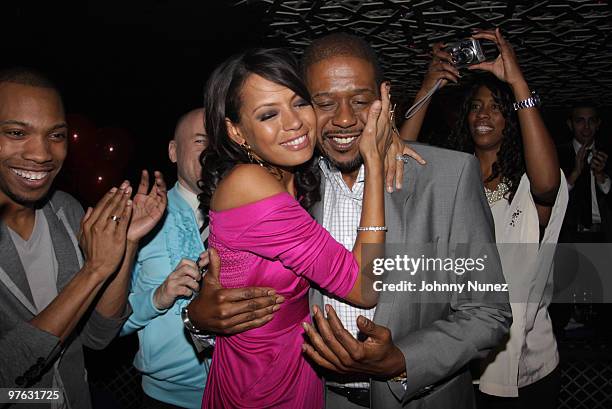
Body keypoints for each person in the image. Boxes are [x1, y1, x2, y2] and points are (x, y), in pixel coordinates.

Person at [189, 33, 511, 409]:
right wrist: (198, 319)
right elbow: (231, 290)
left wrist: (403, 361)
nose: (344, 118)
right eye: (324, 103)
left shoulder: (448, 177)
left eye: (360, 101)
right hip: (316, 395)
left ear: (384, 99)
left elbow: (489, 311)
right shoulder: (289, 185)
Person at [192, 46, 400, 409]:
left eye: (300, 103)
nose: (294, 123)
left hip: (297, 368)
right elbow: (364, 286)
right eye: (269, 114)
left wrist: (393, 136)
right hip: (259, 384)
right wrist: (376, 163)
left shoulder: (296, 173)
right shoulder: (249, 185)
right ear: (237, 131)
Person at [402, 29, 568, 409]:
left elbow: (548, 185)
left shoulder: (525, 187)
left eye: (496, 106)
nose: (484, 115)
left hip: (524, 366)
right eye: (476, 106)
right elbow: (399, 162)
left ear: (511, 119)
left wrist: (517, 82)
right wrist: (428, 87)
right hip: (456, 359)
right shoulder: (451, 179)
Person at [0, 68, 167, 408]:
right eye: (17, 132)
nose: (41, 154)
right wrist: (94, 270)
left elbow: (98, 337)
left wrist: (127, 243)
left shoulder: (66, 211)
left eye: (56, 135)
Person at [120, 108, 211, 409]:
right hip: (167, 399)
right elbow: (110, 323)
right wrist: (158, 297)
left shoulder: (245, 214)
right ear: (173, 151)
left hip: (242, 392)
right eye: (200, 141)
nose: (211, 151)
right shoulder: (141, 220)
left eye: (219, 142)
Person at [557, 101, 610, 243]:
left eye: (591, 121)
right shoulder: (556, 154)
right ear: (570, 124)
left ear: (598, 124)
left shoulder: (607, 154)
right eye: (580, 121)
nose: (586, 127)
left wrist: (601, 177)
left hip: (605, 235)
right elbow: (550, 199)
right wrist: (574, 175)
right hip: (569, 238)